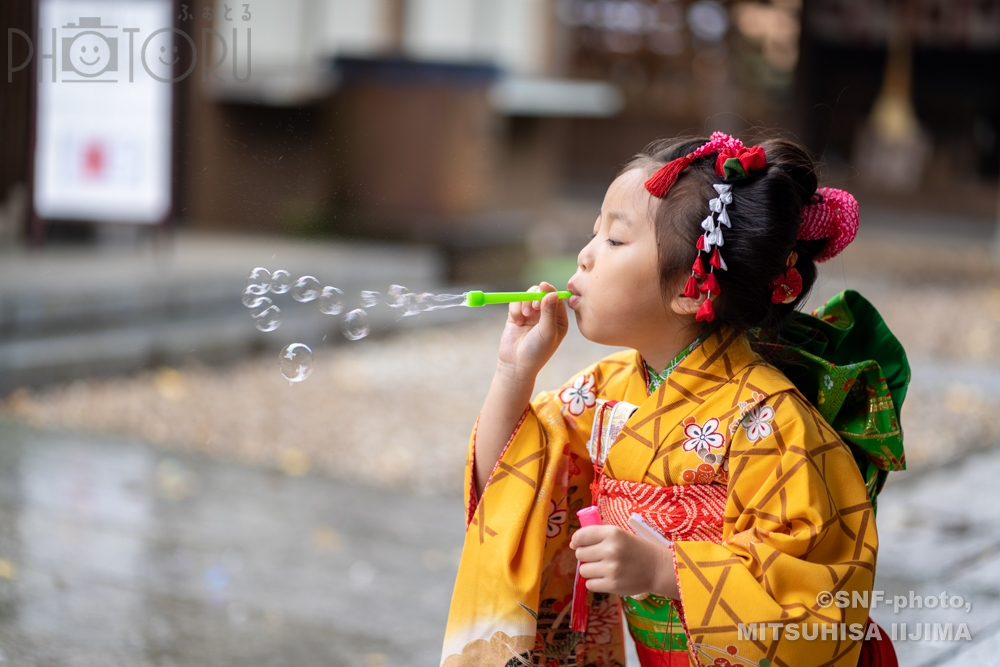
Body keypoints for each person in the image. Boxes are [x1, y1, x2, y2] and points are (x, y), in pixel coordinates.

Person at [440, 132, 908, 667]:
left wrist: (664, 570)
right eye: (594, 233)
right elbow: (511, 480)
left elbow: (811, 597)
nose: (585, 257)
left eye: (615, 241)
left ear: (692, 288)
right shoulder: (605, 391)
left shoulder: (771, 421)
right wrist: (514, 371)